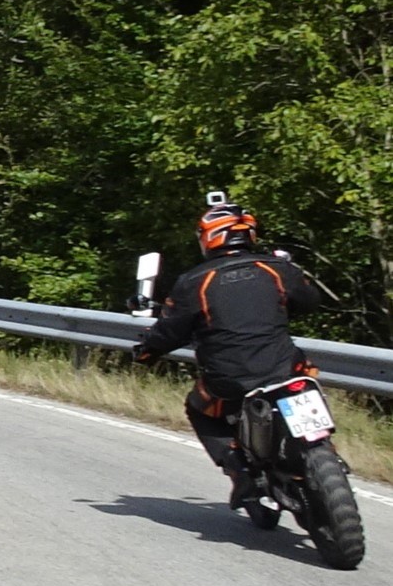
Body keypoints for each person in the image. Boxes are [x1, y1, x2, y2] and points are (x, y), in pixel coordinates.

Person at [133, 198, 322, 505]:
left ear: (209, 237)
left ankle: (240, 472)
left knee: (198, 409)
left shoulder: (194, 281)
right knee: (308, 374)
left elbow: (169, 331)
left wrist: (146, 352)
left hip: (229, 379)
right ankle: (323, 446)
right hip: (286, 368)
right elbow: (310, 301)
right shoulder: (277, 268)